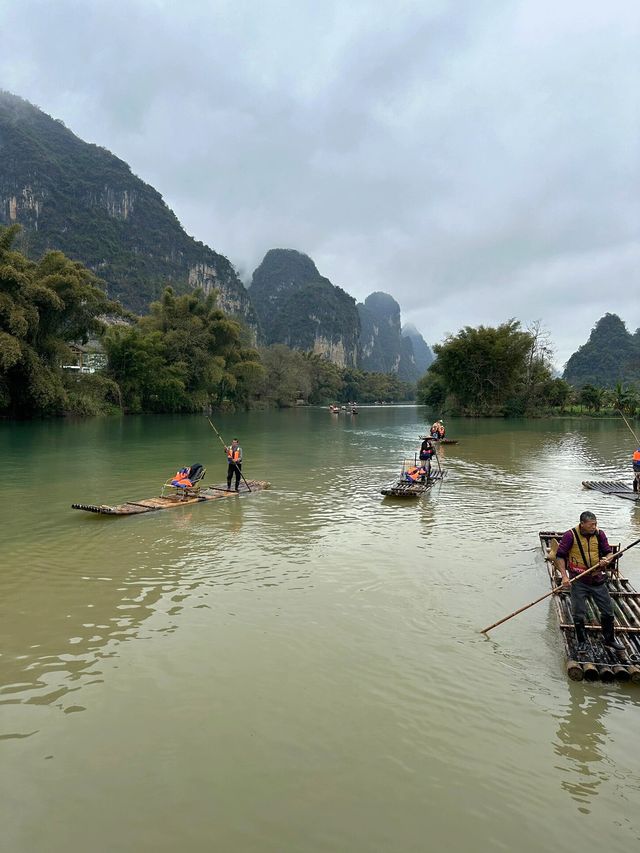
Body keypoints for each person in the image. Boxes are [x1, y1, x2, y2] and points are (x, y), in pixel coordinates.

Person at [555, 511, 624, 654]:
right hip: (578, 580)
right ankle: (582, 642)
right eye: (591, 524)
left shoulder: (600, 534)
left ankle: (609, 639)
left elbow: (608, 552)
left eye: (595, 524)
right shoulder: (570, 535)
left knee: (607, 611)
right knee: (578, 613)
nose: (594, 527)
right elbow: (560, 556)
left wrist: (608, 559)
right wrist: (564, 576)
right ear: (582, 524)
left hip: (597, 579)